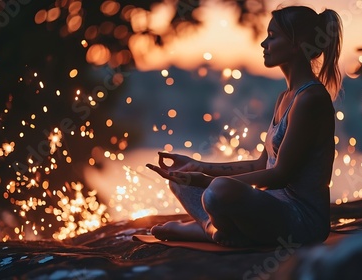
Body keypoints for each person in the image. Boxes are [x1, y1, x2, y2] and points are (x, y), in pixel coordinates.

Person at [146, 5, 342, 247]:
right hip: (270, 207)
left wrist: (206, 180)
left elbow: (279, 176)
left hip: (301, 222)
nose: (264, 44)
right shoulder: (285, 97)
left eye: (272, 36)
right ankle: (221, 231)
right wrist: (197, 167)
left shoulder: (310, 99)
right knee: (179, 179)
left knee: (218, 191)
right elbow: (261, 164)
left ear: (296, 44)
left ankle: (209, 230)